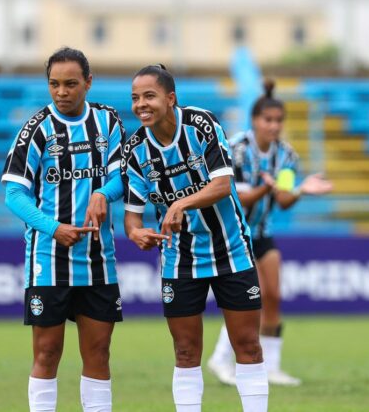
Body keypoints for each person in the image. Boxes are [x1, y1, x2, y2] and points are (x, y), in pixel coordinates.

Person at [123, 64, 268, 412]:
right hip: (179, 258)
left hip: (231, 249)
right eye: (135, 98)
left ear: (170, 98)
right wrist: (136, 233)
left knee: (247, 344)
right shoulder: (135, 150)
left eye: (149, 96)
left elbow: (221, 185)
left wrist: (179, 203)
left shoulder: (201, 124)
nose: (141, 104)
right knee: (186, 351)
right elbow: (132, 218)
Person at [1, 47, 126, 412]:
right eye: (54, 84)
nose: (62, 92)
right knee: (47, 351)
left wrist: (104, 191)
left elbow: (123, 176)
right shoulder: (36, 129)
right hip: (49, 258)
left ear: (88, 82)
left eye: (71, 84)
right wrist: (54, 228)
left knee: (99, 352)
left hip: (98, 259)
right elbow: (14, 194)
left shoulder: (108, 121)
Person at [207, 80, 333, 386]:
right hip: (234, 234)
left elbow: (284, 199)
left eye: (278, 121)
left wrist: (300, 189)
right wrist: (269, 185)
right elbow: (238, 196)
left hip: (262, 232)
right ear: (254, 121)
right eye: (268, 120)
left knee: (273, 296)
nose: (274, 126)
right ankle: (221, 359)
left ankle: (272, 367)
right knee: (250, 298)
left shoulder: (286, 156)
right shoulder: (236, 150)